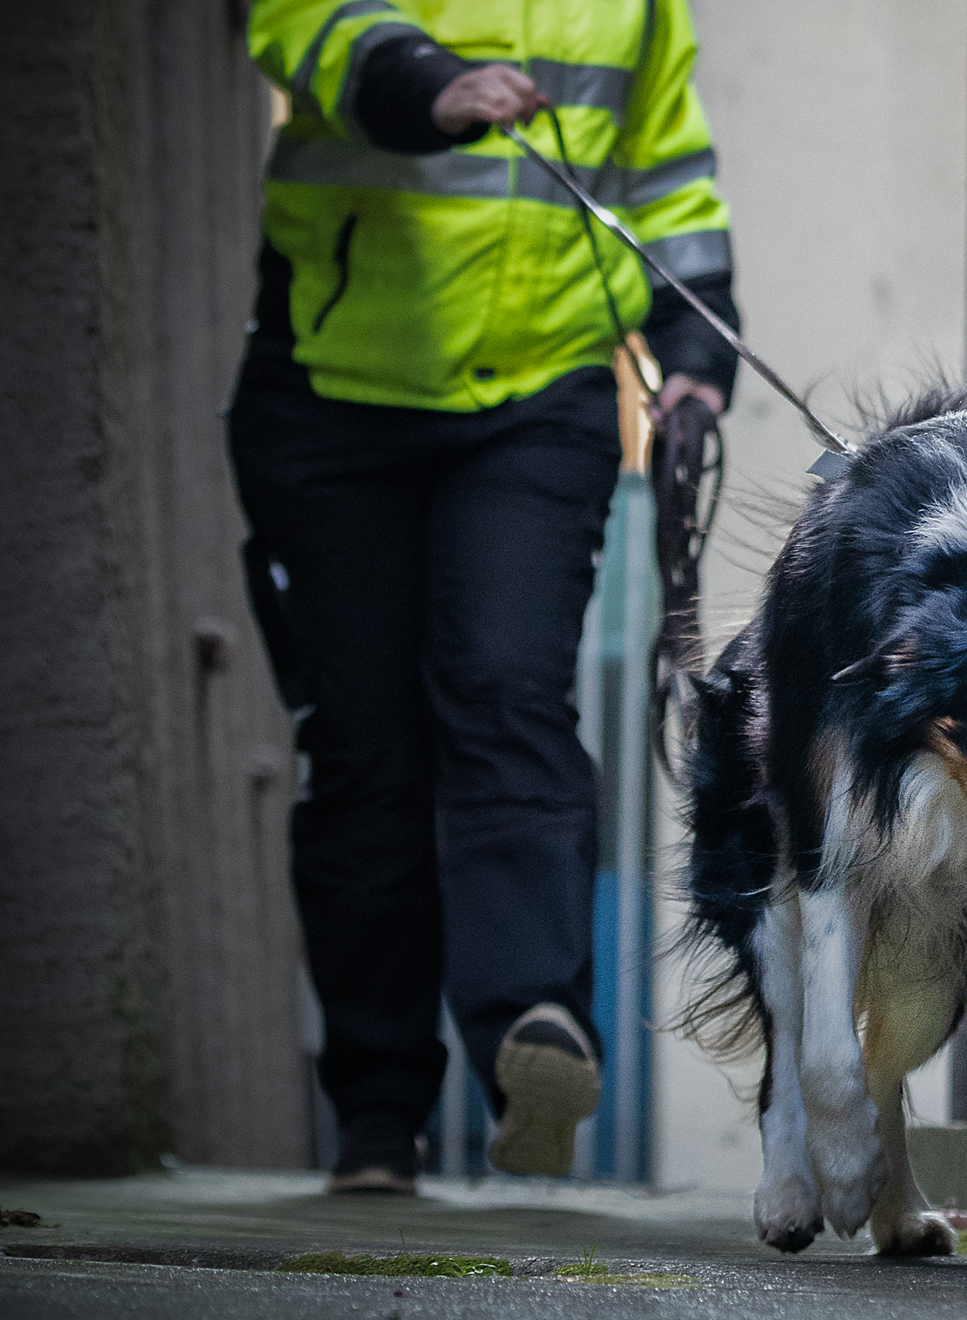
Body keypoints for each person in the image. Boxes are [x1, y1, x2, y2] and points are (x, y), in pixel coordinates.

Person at [234, 0, 739, 1192]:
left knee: (507, 688)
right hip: (331, 385)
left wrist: (702, 357)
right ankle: (377, 1113)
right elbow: (298, 25)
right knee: (366, 748)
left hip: (540, 390)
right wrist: (423, 80)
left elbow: (669, 170)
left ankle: (533, 1032)